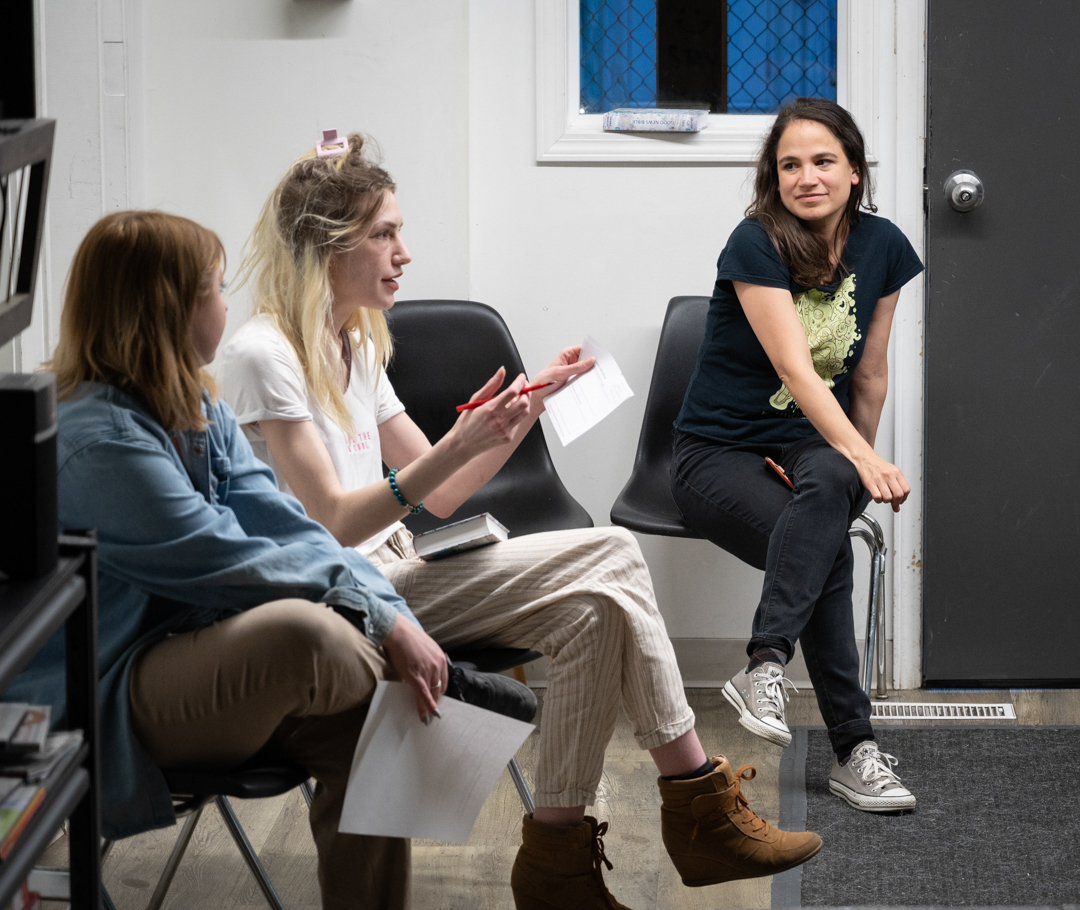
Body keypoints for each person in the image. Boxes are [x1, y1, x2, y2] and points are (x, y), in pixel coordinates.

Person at [216, 132, 822, 909]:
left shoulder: (357, 339)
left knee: (592, 614)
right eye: (384, 234)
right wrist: (456, 447)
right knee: (614, 549)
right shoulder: (265, 354)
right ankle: (697, 803)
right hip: (338, 597)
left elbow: (436, 495)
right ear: (329, 247)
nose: (404, 253)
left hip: (397, 563)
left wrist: (516, 419)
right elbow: (333, 521)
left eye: (400, 231)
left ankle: (557, 865)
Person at [7, 209, 535, 910]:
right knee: (309, 635)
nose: (229, 305)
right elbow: (230, 561)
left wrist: (387, 610)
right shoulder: (95, 443)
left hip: (186, 651)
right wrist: (389, 624)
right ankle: (452, 696)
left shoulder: (192, 403)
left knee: (364, 724)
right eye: (217, 289)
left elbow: (283, 525)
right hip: (108, 686)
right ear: (172, 309)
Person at [670, 97, 923, 813]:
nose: (806, 177)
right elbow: (797, 372)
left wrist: (856, 469)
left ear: (853, 170)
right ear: (772, 177)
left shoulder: (885, 247)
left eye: (822, 161)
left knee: (828, 504)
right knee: (831, 553)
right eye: (789, 165)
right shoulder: (755, 242)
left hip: (812, 439)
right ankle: (848, 742)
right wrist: (860, 464)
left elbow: (868, 373)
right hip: (716, 451)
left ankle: (770, 671)